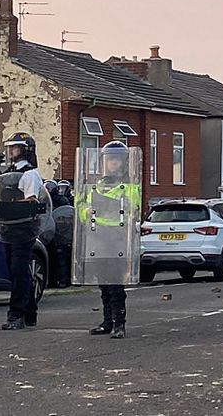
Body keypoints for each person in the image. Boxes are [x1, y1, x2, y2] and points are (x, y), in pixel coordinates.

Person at [77, 141, 142, 339]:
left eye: (116, 160)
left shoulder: (129, 187)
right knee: (103, 283)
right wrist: (85, 212)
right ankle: (107, 321)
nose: (112, 164)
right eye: (108, 160)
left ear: (123, 162)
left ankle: (119, 323)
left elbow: (133, 210)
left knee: (115, 283)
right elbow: (82, 209)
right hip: (97, 238)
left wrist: (114, 208)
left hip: (117, 239)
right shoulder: (96, 186)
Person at [0, 131, 46, 330]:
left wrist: (10, 204)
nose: (11, 151)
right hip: (9, 227)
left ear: (25, 150)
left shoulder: (29, 174)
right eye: (9, 147)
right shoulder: (9, 171)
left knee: (19, 271)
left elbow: (31, 200)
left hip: (24, 228)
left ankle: (16, 314)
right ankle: (29, 311)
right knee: (16, 271)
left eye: (15, 147)